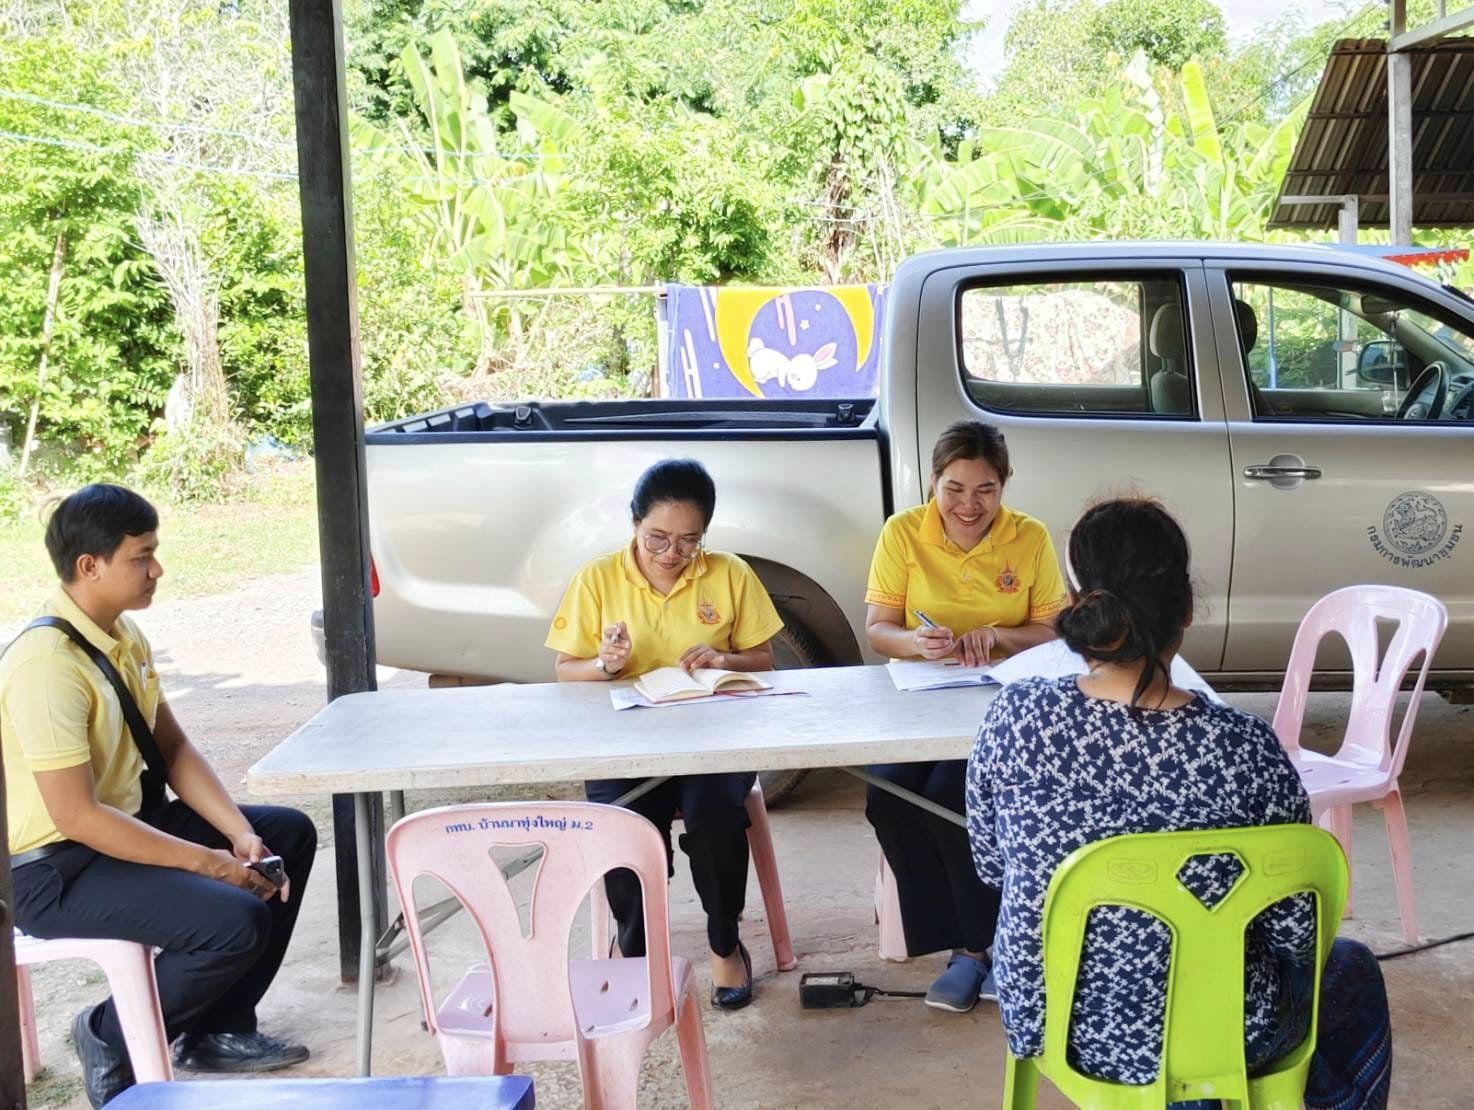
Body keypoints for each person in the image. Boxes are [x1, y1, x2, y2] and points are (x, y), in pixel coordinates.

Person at [966, 498, 1392, 1109]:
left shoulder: (1015, 716)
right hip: (1230, 1033)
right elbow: (1300, 928)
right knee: (1350, 966)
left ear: (1081, 609)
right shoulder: (1242, 747)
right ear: (1186, 611)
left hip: (1062, 1027)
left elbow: (992, 868)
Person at [0, 485, 317, 1109]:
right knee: (235, 917)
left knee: (286, 834)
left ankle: (217, 1029)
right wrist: (209, 862)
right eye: (141, 555)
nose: (157, 569)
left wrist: (237, 834)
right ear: (90, 567)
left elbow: (171, 750)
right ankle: (108, 1033)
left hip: (123, 829)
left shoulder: (123, 636)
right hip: (56, 868)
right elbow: (75, 814)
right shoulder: (46, 664)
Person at [545, 458, 784, 1010]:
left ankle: (724, 942)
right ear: (633, 524)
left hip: (710, 737)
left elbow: (763, 658)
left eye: (688, 541)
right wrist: (606, 664)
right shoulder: (598, 577)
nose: (671, 555)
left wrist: (723, 656)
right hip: (625, 740)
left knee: (716, 816)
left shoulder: (729, 573)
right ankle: (634, 948)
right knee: (624, 825)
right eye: (657, 539)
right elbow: (565, 669)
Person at [863, 420, 1066, 1012]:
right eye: (954, 489)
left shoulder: (1029, 536)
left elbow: (1055, 626)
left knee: (956, 795)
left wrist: (998, 636)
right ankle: (964, 939)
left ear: (1004, 487)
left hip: (1005, 703)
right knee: (889, 793)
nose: (968, 505)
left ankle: (979, 949)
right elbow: (880, 628)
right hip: (922, 698)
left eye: (985, 491)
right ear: (933, 481)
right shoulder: (903, 533)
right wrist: (916, 644)